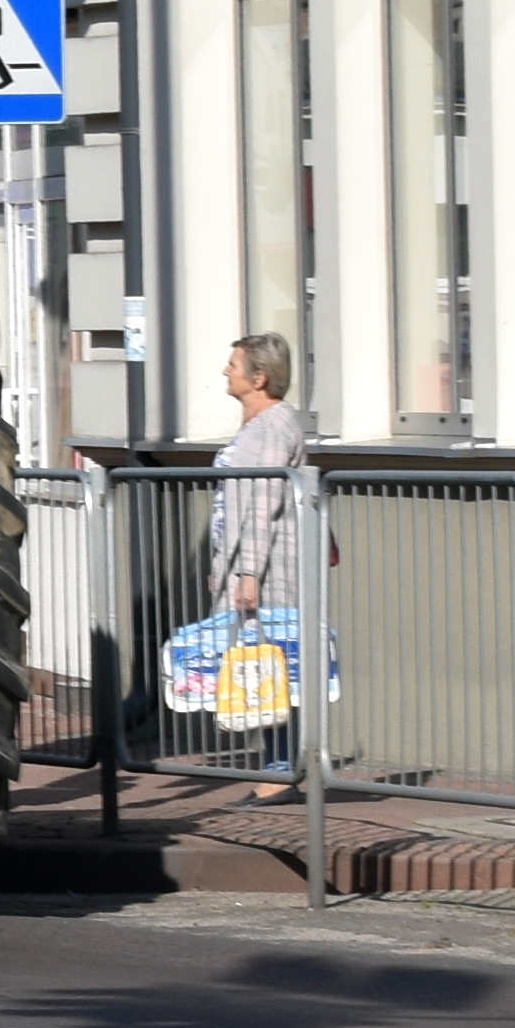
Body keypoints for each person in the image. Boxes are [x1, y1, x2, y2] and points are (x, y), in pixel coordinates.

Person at [207, 332, 313, 775]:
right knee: (256, 664)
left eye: (234, 365)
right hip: (246, 565)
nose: (226, 371)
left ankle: (281, 769)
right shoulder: (257, 424)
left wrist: (249, 572)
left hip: (270, 571)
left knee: (271, 665)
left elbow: (263, 503)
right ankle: (276, 765)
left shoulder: (273, 425)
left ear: (259, 376)